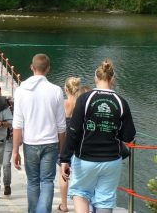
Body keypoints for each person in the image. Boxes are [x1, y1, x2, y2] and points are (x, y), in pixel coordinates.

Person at [60, 59, 136, 213]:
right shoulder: (121, 102)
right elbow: (129, 136)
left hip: (84, 159)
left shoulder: (85, 99)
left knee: (81, 194)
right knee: (105, 200)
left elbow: (73, 132)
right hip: (111, 160)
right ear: (113, 79)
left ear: (96, 77)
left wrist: (65, 159)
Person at [13, 53, 66, 213]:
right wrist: (62, 151)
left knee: (33, 182)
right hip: (51, 143)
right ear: (48, 69)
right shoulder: (56, 91)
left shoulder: (21, 90)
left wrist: (15, 150)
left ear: (31, 67)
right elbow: (61, 126)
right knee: (48, 181)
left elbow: (17, 124)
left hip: (30, 143)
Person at [58, 77, 82, 213]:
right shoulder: (81, 103)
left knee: (63, 172)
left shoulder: (63, 103)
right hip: (78, 140)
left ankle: (64, 204)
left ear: (66, 89)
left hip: (64, 140)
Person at [0, 85, 14, 196]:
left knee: (6, 164)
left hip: (9, 139)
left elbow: (13, 121)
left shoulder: (8, 102)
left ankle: (7, 185)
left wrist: (0, 124)